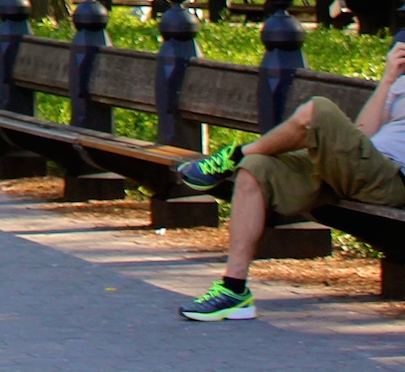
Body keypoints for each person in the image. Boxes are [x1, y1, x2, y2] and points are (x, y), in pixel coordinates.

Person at [173, 34, 405, 320]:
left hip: (392, 180)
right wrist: (388, 79)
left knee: (317, 110)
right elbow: (364, 134)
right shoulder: (400, 82)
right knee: (255, 170)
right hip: (361, 166)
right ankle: (233, 290)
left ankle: (235, 156)